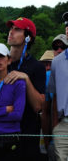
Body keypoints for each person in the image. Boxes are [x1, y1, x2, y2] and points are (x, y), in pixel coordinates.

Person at [0, 17, 46, 159]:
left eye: (17, 29)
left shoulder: (36, 66)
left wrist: (25, 78)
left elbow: (38, 106)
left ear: (28, 38)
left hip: (26, 132)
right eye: (11, 29)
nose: (11, 32)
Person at [48, 12, 68, 161]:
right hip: (64, 125)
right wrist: (55, 127)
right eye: (67, 25)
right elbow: (54, 97)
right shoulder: (56, 62)